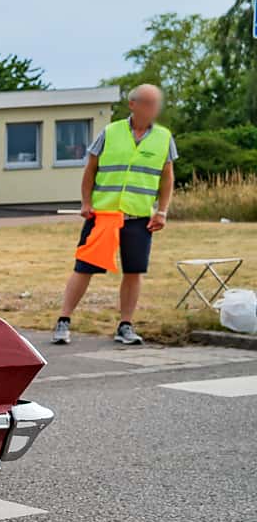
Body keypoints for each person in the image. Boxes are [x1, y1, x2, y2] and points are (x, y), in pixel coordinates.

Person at [53, 83, 175, 347]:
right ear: (132, 105)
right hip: (103, 215)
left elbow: (167, 178)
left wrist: (162, 211)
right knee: (84, 268)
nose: (152, 109)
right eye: (146, 103)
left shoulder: (164, 137)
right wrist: (86, 203)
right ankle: (63, 321)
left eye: (155, 104)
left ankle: (125, 325)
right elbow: (91, 169)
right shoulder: (110, 132)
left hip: (139, 217)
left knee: (134, 271)